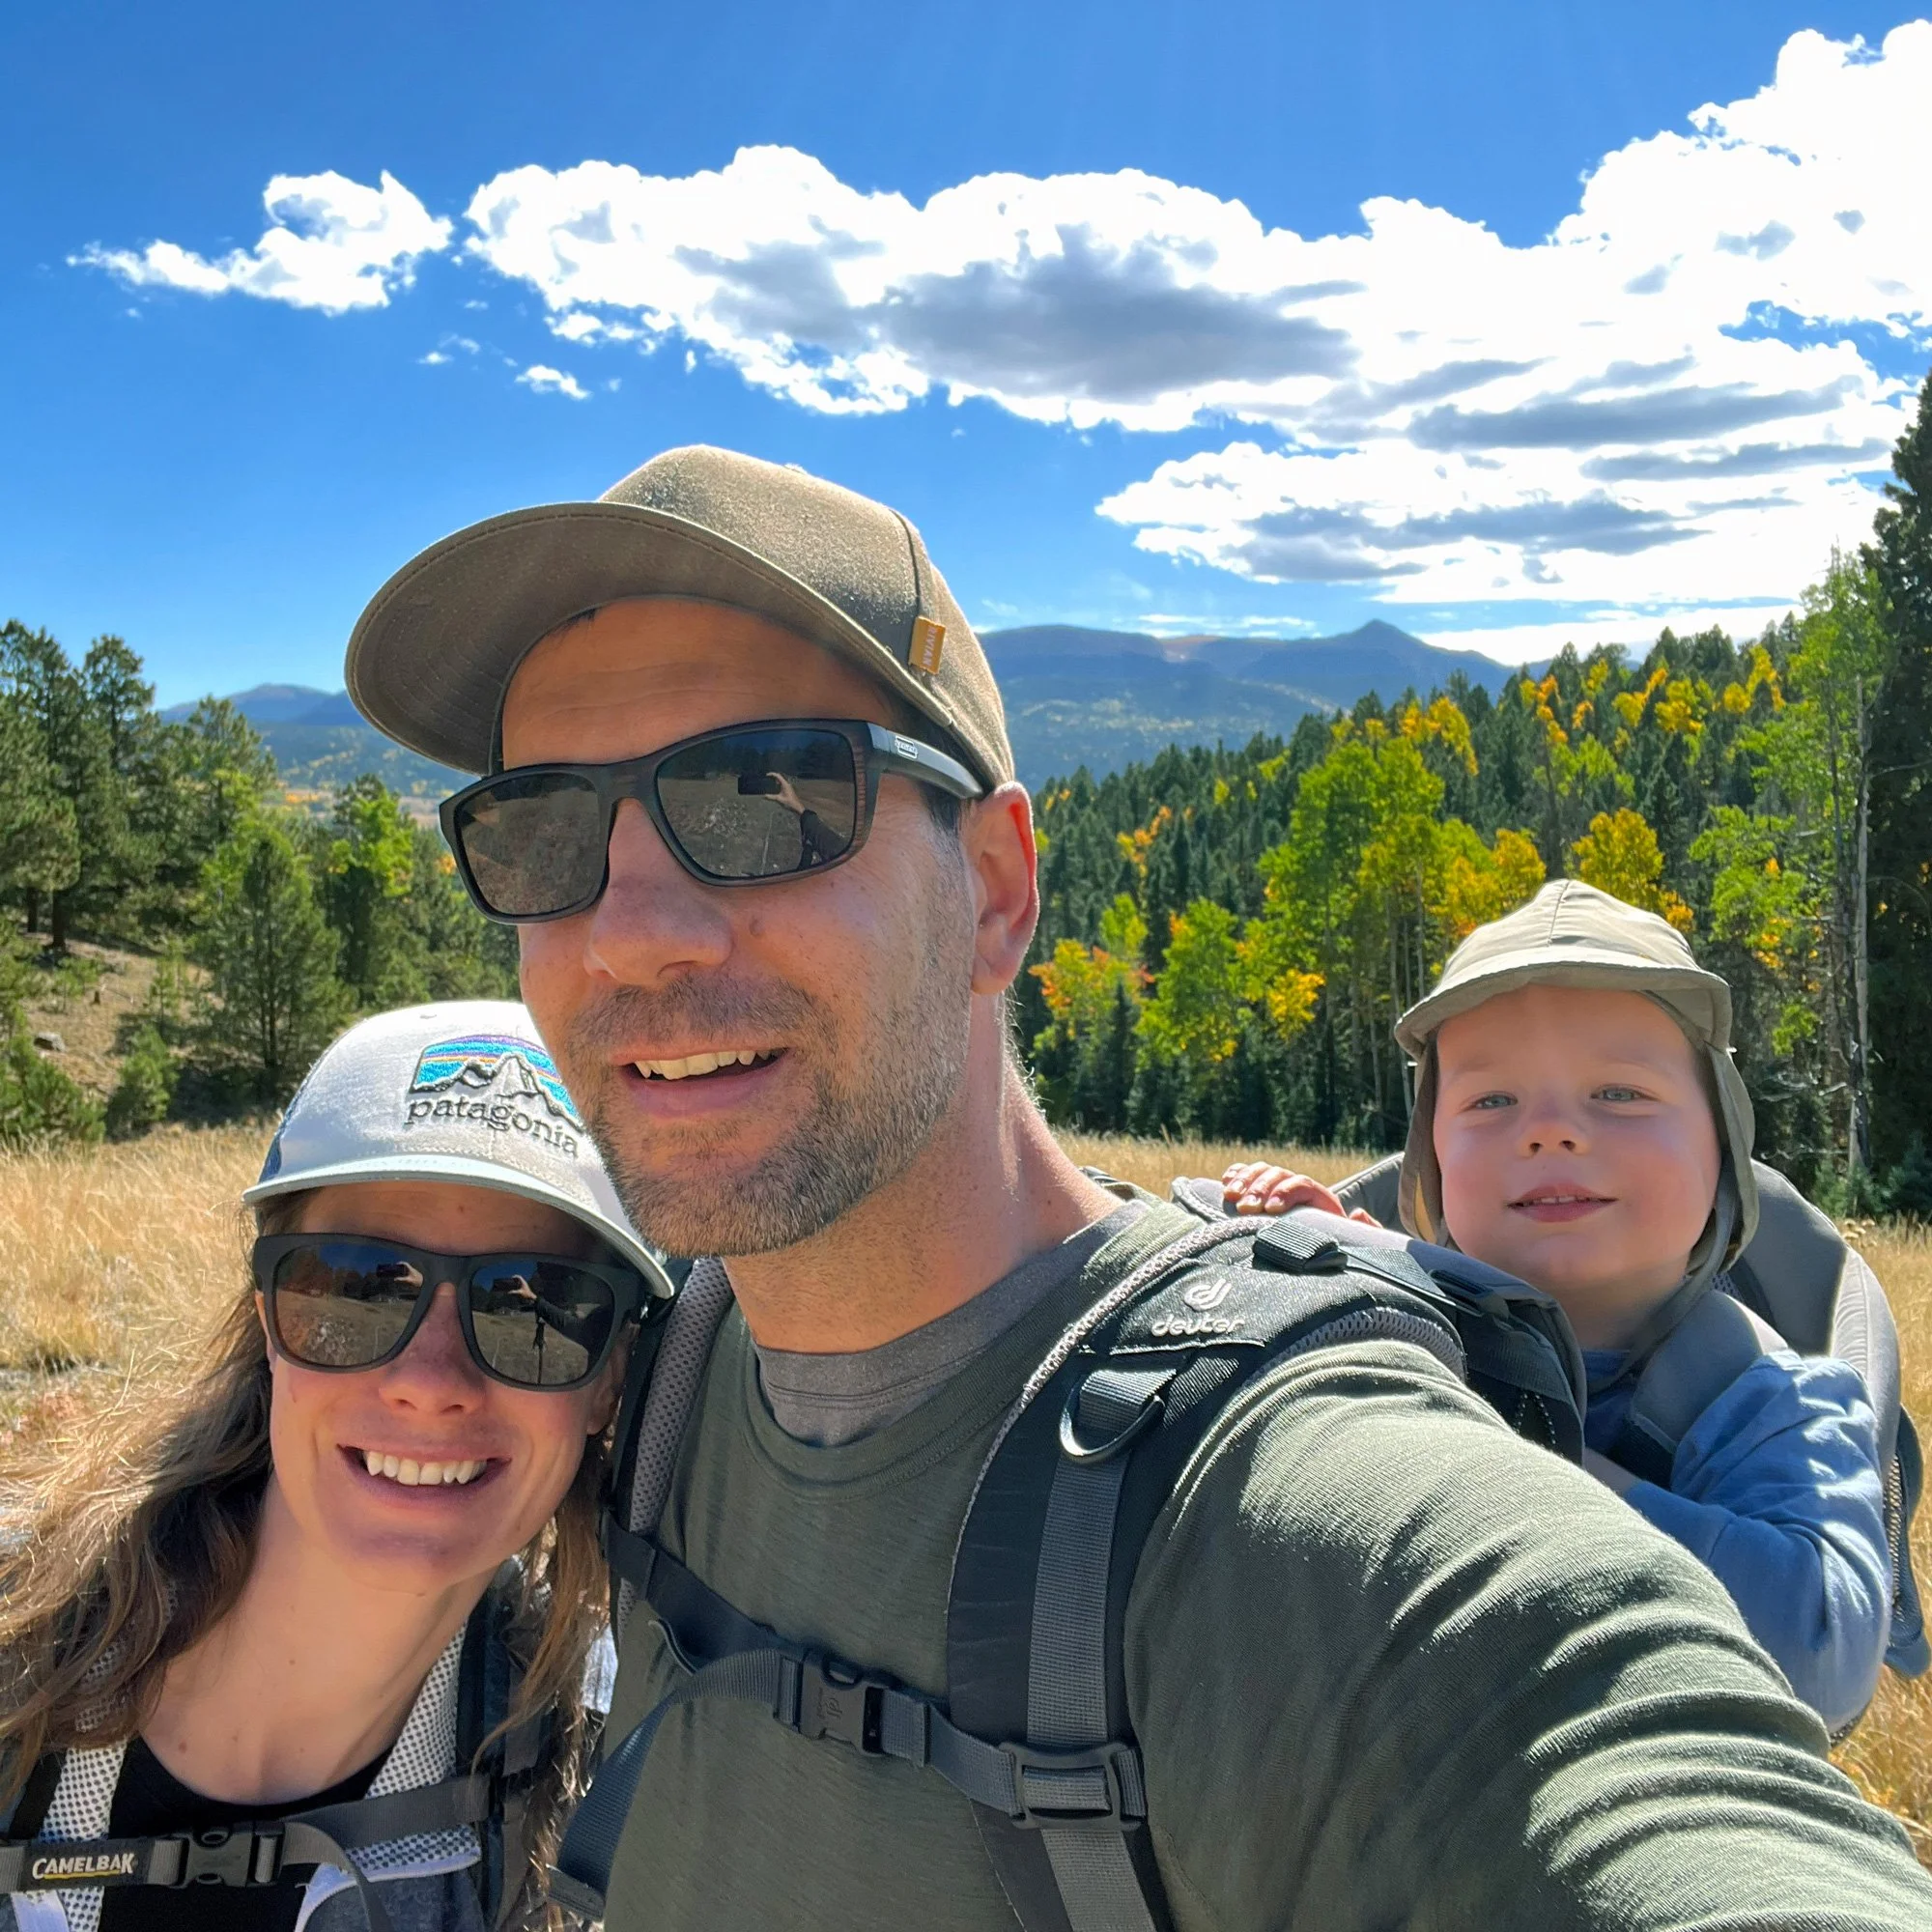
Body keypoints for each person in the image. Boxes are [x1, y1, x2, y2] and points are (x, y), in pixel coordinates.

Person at [344, 443, 1932, 1930]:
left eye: (763, 800)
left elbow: (1638, 1791)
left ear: (996, 892)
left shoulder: (1285, 1500)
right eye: (543, 830)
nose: (632, 932)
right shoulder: (644, 1373)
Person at [0, 1002, 674, 1932]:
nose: (430, 1384)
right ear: (269, 1323)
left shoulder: (590, 1802)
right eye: (357, 1287)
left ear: (610, 1385)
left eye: (537, 1312)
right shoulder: (17, 1637)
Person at [1217, 880, 1894, 1732]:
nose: (1549, 1133)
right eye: (1491, 1101)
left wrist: (1528, 1455)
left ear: (1723, 1149)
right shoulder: (1399, 1305)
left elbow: (1823, 1661)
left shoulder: (1762, 1400)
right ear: (1427, 1165)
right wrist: (1348, 1268)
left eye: (1619, 1093)